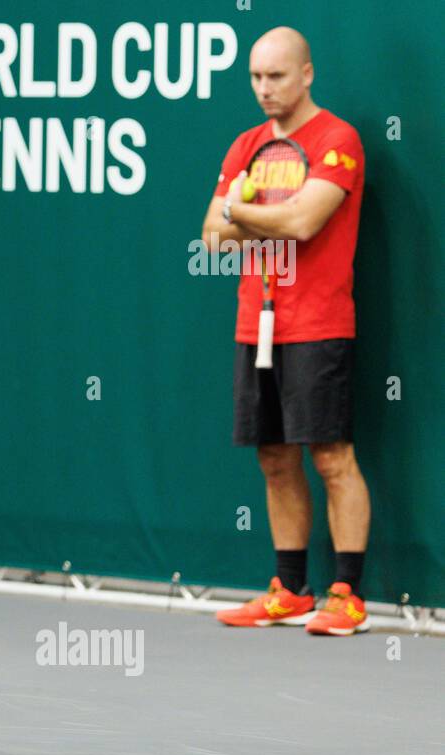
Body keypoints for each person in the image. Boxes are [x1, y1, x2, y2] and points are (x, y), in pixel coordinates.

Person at [200, 27, 370, 636]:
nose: (264, 89)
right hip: (256, 322)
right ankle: (290, 589)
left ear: (307, 74)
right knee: (274, 457)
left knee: (331, 457)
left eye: (276, 76)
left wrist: (239, 207)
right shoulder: (245, 143)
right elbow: (211, 239)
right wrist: (245, 218)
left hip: (320, 323)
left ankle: (347, 593)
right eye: (255, 77)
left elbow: (303, 222)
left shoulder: (337, 138)